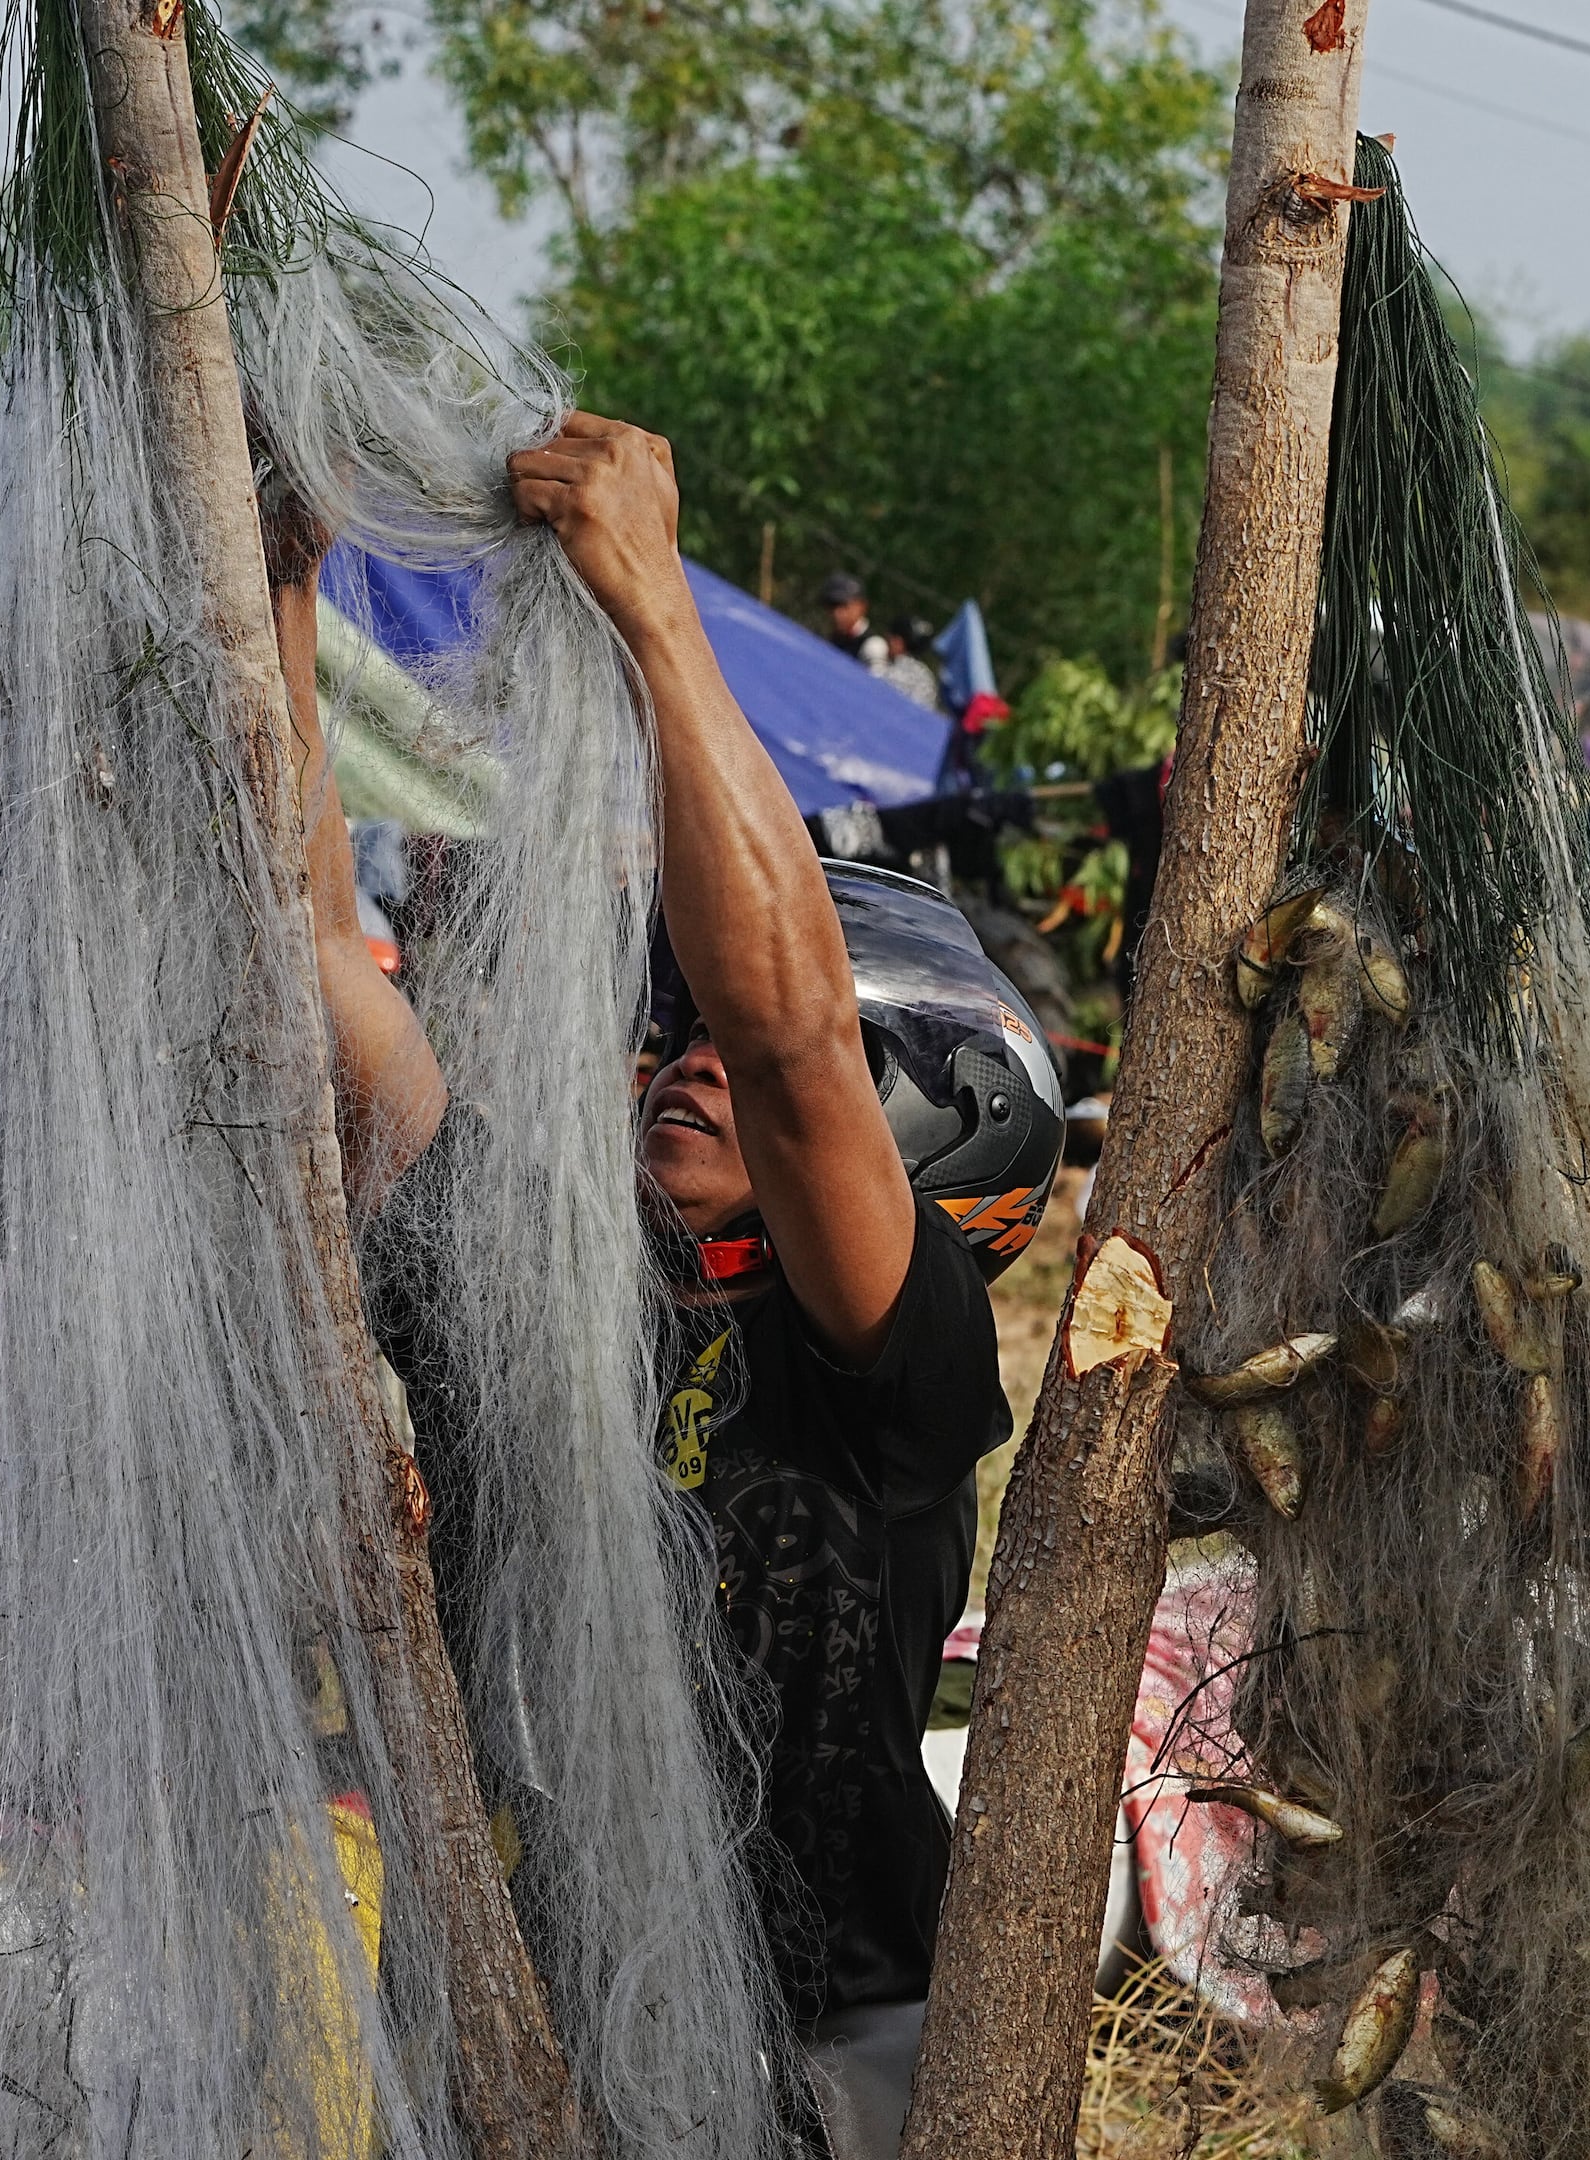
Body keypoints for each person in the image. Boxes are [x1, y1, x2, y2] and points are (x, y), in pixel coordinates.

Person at [312, 415, 1066, 2160]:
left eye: (713, 1029)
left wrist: (657, 608)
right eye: (663, 1029)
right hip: (526, 2037)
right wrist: (277, 570)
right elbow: (314, 950)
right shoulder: (526, 1274)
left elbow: (796, 1036)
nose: (683, 1055)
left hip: (833, 2058)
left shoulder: (897, 1358)